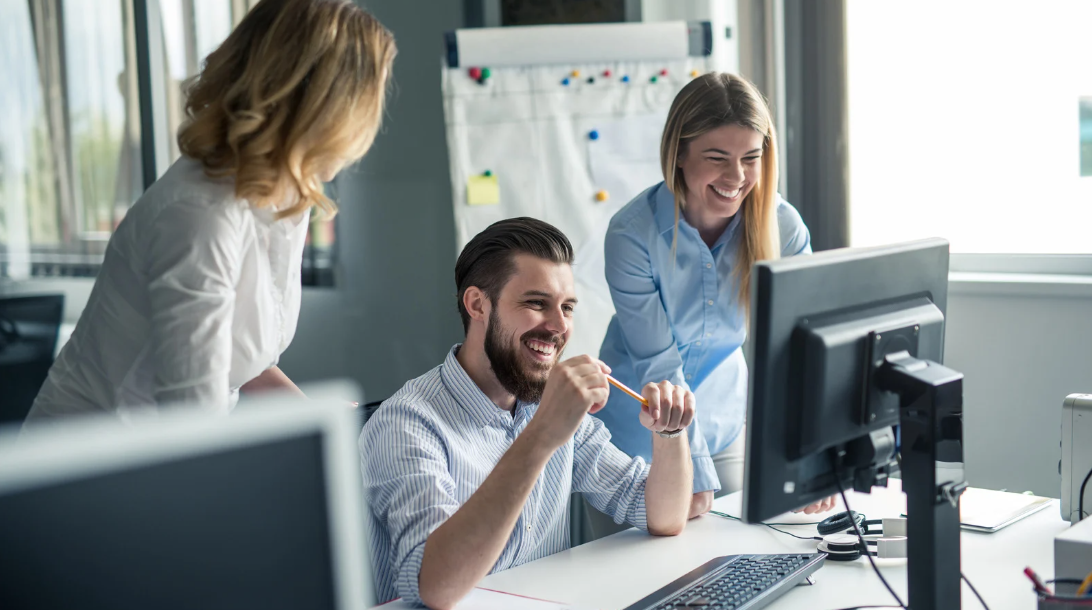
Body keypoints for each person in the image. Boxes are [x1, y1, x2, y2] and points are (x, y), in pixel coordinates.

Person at [26, 0, 395, 420]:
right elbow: (193, 420)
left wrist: (323, 419)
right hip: (94, 461)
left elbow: (239, 359)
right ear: (326, 108)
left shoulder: (279, 196)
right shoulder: (200, 214)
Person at [360, 218, 699, 609]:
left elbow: (663, 516)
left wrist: (670, 433)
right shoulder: (404, 424)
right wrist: (542, 435)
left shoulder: (547, 403)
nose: (559, 326)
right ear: (477, 304)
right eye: (537, 303)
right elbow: (436, 587)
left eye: (567, 307)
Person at [595, 72, 836, 518]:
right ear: (679, 153)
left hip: (726, 425)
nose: (737, 176)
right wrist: (693, 472)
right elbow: (660, 368)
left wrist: (811, 448)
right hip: (634, 436)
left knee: (750, 558)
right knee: (640, 578)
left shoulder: (782, 228)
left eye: (751, 157)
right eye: (717, 157)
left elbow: (801, 350)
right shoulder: (633, 235)